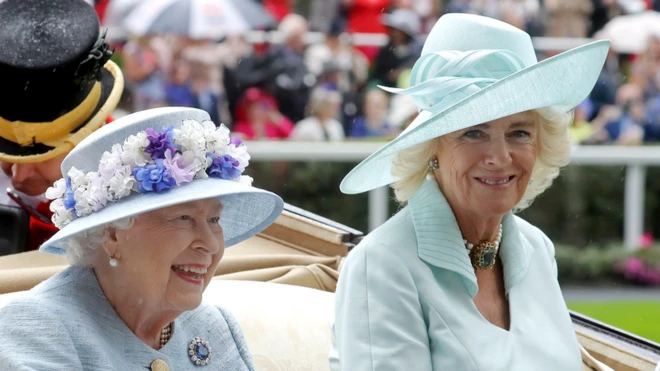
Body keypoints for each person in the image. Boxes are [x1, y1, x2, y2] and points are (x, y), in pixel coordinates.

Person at [330, 14, 610, 370]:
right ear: (431, 148)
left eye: (519, 132)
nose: (500, 157)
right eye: (474, 133)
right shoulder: (383, 266)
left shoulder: (536, 249)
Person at [0, 107, 284, 370]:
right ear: (111, 235)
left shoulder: (215, 325)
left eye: (214, 220)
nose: (210, 245)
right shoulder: (36, 329)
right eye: (183, 218)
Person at [0, 0, 123, 253]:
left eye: (42, 154)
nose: (17, 176)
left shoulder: (144, 193)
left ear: (95, 133)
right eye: (6, 151)